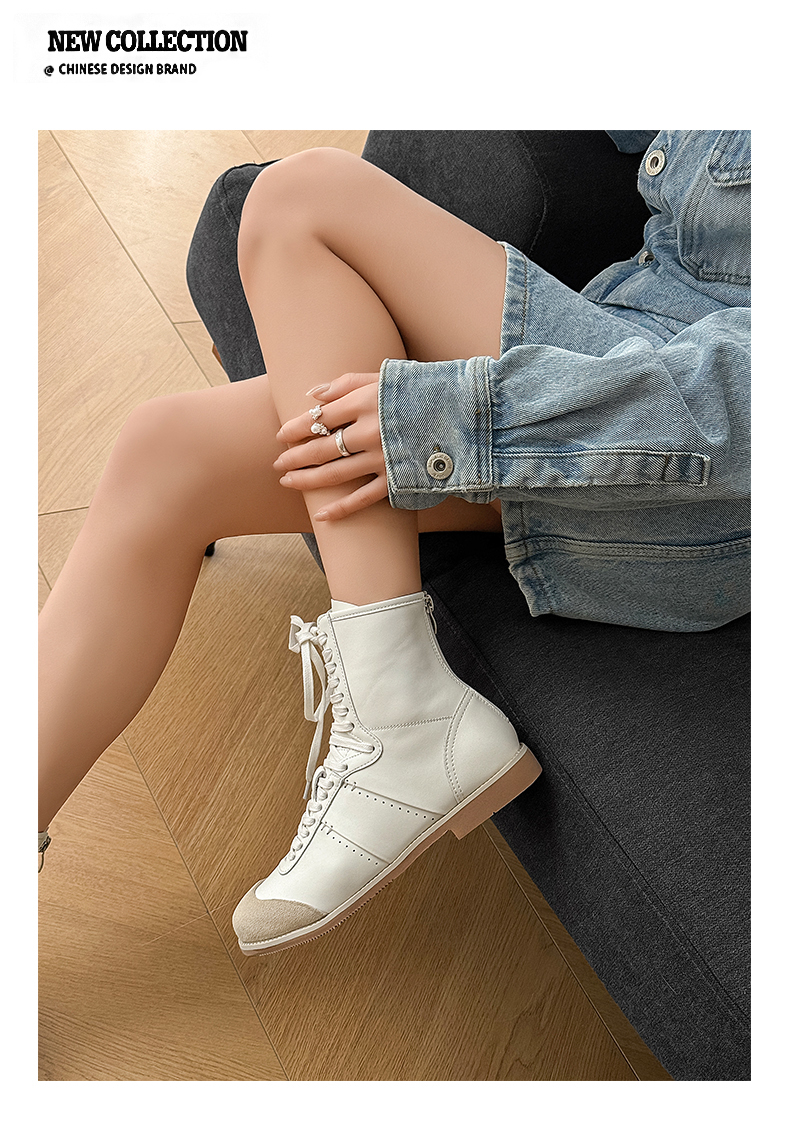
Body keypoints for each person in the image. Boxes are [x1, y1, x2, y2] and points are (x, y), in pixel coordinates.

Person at [38, 131, 750, 958]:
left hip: (705, 471)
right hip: (615, 352)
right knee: (164, 454)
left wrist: (450, 417)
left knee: (301, 198)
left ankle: (398, 704)